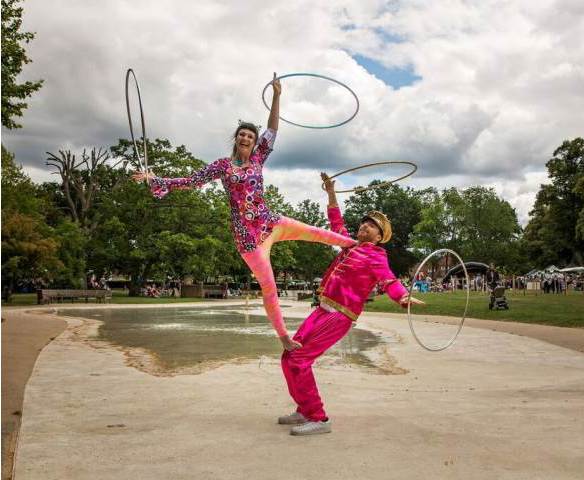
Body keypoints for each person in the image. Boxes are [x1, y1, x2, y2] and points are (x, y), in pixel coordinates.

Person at [133, 74, 355, 351]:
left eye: (251, 135)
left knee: (318, 233)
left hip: (270, 221)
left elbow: (273, 129)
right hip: (248, 239)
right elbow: (191, 181)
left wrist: (276, 95)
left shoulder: (260, 156)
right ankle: (284, 337)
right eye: (243, 134)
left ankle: (358, 246)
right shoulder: (222, 166)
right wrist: (155, 179)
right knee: (269, 287)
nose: (247, 138)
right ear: (236, 139)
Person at [279, 173, 423, 436]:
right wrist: (331, 192)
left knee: (299, 359)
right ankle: (304, 407)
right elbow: (336, 222)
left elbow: (389, 281)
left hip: (340, 317)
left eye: (370, 226)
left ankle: (319, 418)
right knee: (289, 356)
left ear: (380, 236)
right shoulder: (348, 245)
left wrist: (402, 296)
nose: (364, 227)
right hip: (322, 310)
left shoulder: (376, 255)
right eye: (363, 224)